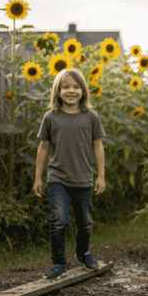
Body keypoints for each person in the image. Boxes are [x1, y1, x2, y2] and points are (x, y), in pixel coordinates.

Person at [33, 67, 106, 279]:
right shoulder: (51, 117)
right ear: (58, 91)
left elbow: (98, 146)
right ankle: (58, 262)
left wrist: (101, 176)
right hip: (58, 179)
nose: (71, 91)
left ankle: (83, 254)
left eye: (76, 87)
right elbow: (44, 147)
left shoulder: (91, 116)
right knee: (59, 220)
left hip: (84, 178)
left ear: (83, 91)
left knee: (85, 221)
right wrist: (38, 178)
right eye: (66, 87)